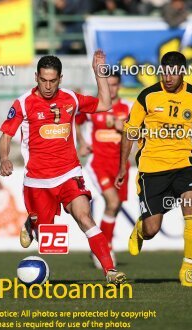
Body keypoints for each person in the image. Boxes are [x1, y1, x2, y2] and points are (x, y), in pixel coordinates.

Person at [0, 51, 127, 285]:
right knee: (45, 233)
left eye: (53, 81)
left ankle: (110, 270)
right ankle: (32, 222)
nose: (48, 86)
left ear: (61, 79)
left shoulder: (71, 99)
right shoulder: (23, 103)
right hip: (38, 181)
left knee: (84, 216)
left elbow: (105, 104)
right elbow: (6, 135)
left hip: (69, 173)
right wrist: (4, 158)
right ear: (36, 77)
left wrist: (99, 73)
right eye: (43, 80)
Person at [116, 51, 192, 287]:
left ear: (182, 72)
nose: (168, 77)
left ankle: (188, 270)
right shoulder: (147, 96)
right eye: (164, 72)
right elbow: (130, 131)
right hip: (152, 168)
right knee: (152, 228)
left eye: (174, 73)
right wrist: (122, 167)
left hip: (187, 166)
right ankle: (140, 230)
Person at [75, 69, 132, 269]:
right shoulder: (95, 106)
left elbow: (139, 133)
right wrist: (81, 143)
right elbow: (75, 119)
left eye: (114, 84)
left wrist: (123, 127)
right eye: (107, 84)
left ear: (120, 86)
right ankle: (105, 248)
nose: (111, 88)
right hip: (98, 162)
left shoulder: (128, 108)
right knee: (112, 201)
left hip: (121, 165)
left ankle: (99, 247)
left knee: (113, 208)